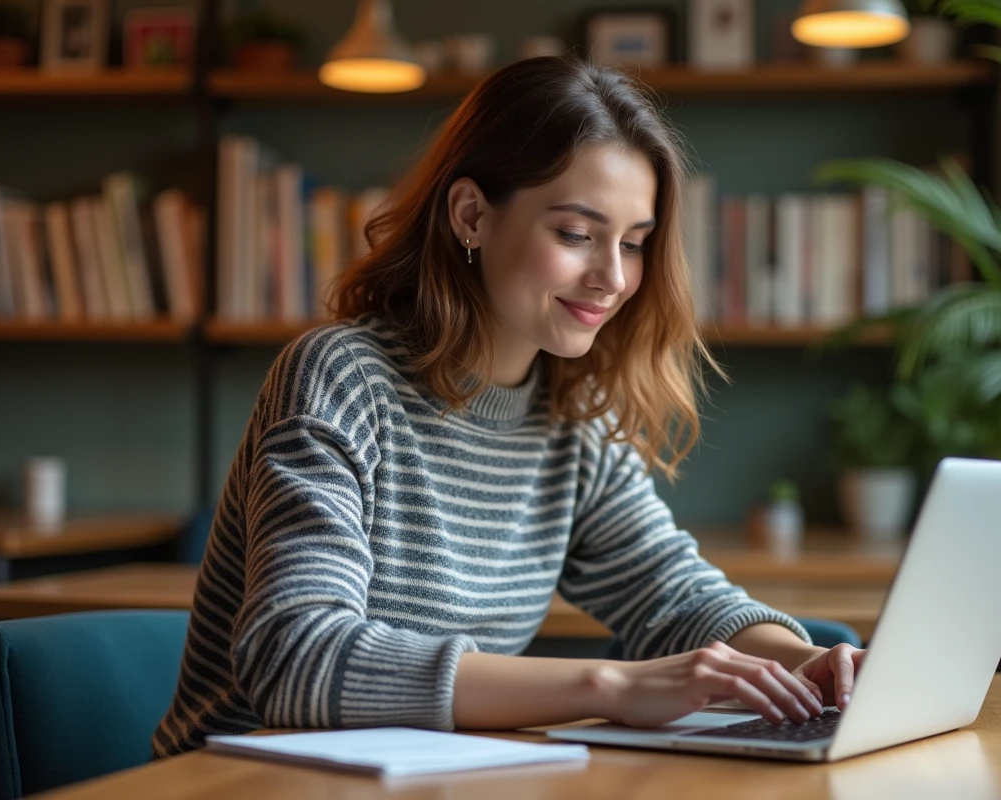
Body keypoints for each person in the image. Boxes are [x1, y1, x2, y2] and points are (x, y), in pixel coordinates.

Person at [152, 55, 865, 757]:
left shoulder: (572, 419)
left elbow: (674, 596)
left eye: (635, 244)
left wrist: (799, 666)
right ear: (471, 215)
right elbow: (295, 658)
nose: (613, 278)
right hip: (241, 781)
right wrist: (609, 685)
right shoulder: (340, 378)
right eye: (576, 235)